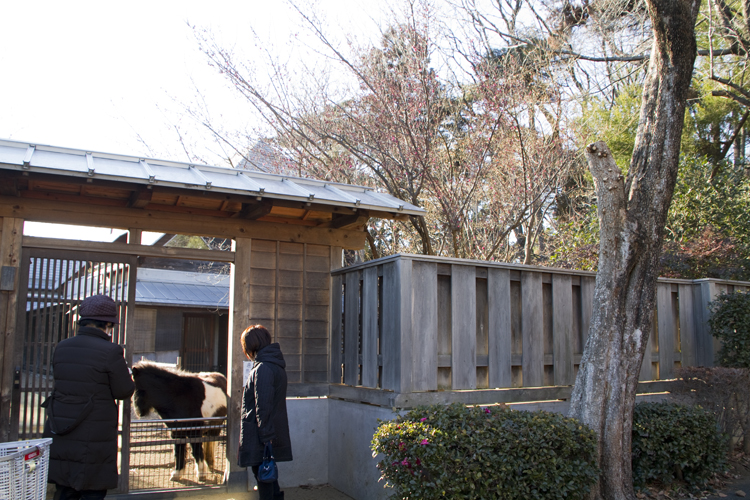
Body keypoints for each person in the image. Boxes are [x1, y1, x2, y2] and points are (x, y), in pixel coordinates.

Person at [43, 294, 135, 500]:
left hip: (61, 426)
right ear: (109, 324)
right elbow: (123, 391)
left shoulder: (62, 347)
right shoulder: (111, 351)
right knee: (91, 490)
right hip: (94, 432)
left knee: (64, 489)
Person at [238, 325, 292, 500]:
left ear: (251, 346)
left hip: (260, 435)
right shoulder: (273, 366)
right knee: (268, 475)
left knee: (263, 476)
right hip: (266, 433)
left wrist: (266, 437)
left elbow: (263, 405)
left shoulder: (263, 369)